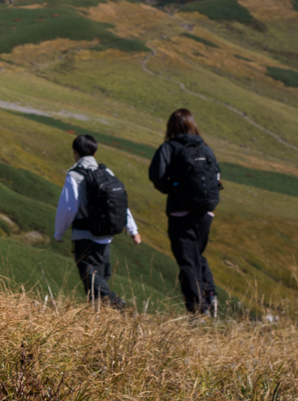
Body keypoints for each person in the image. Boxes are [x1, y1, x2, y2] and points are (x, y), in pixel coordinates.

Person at [147, 108, 222, 315]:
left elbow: (157, 175)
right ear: (192, 124)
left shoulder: (169, 148)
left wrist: (172, 189)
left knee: (187, 261)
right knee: (197, 254)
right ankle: (210, 295)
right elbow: (217, 176)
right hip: (206, 212)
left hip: (181, 212)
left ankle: (198, 310)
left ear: (172, 126)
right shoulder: (205, 148)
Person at [53, 133, 141, 308]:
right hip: (106, 236)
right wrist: (133, 230)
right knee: (99, 279)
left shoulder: (74, 176)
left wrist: (59, 232)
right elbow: (120, 203)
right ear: (94, 152)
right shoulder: (106, 172)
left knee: (92, 281)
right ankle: (100, 320)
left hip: (84, 236)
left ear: (75, 152)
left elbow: (68, 208)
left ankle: (121, 308)